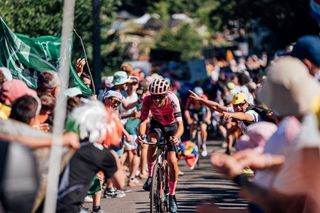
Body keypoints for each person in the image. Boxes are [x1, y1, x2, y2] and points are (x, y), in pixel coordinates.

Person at [57, 101, 126, 213]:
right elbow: (120, 183)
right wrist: (115, 159)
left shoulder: (63, 142)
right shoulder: (101, 152)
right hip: (68, 207)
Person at [136, 78, 184, 213]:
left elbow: (181, 125)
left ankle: (172, 196)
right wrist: (141, 134)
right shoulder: (147, 99)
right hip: (157, 125)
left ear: (165, 94)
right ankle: (150, 176)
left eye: (159, 97)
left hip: (172, 127)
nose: (156, 100)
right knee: (151, 140)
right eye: (154, 97)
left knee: (172, 162)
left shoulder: (172, 99)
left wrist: (176, 137)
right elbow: (144, 120)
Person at [184, 87, 211, 157]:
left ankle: (203, 144)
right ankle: (192, 140)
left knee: (203, 127)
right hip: (194, 113)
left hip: (203, 113)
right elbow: (186, 110)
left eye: (198, 97)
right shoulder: (190, 99)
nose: (196, 99)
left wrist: (208, 118)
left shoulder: (204, 98)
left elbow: (208, 110)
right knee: (192, 125)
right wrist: (188, 119)